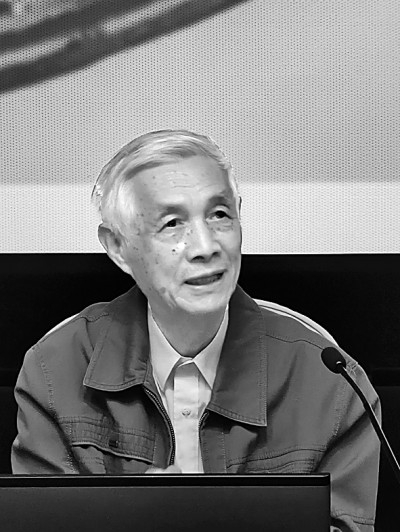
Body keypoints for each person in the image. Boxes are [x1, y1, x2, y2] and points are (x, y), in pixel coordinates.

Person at [12, 129, 380, 531]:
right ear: (117, 247)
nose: (206, 246)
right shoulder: (55, 368)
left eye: (220, 215)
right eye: (172, 223)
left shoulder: (328, 377)